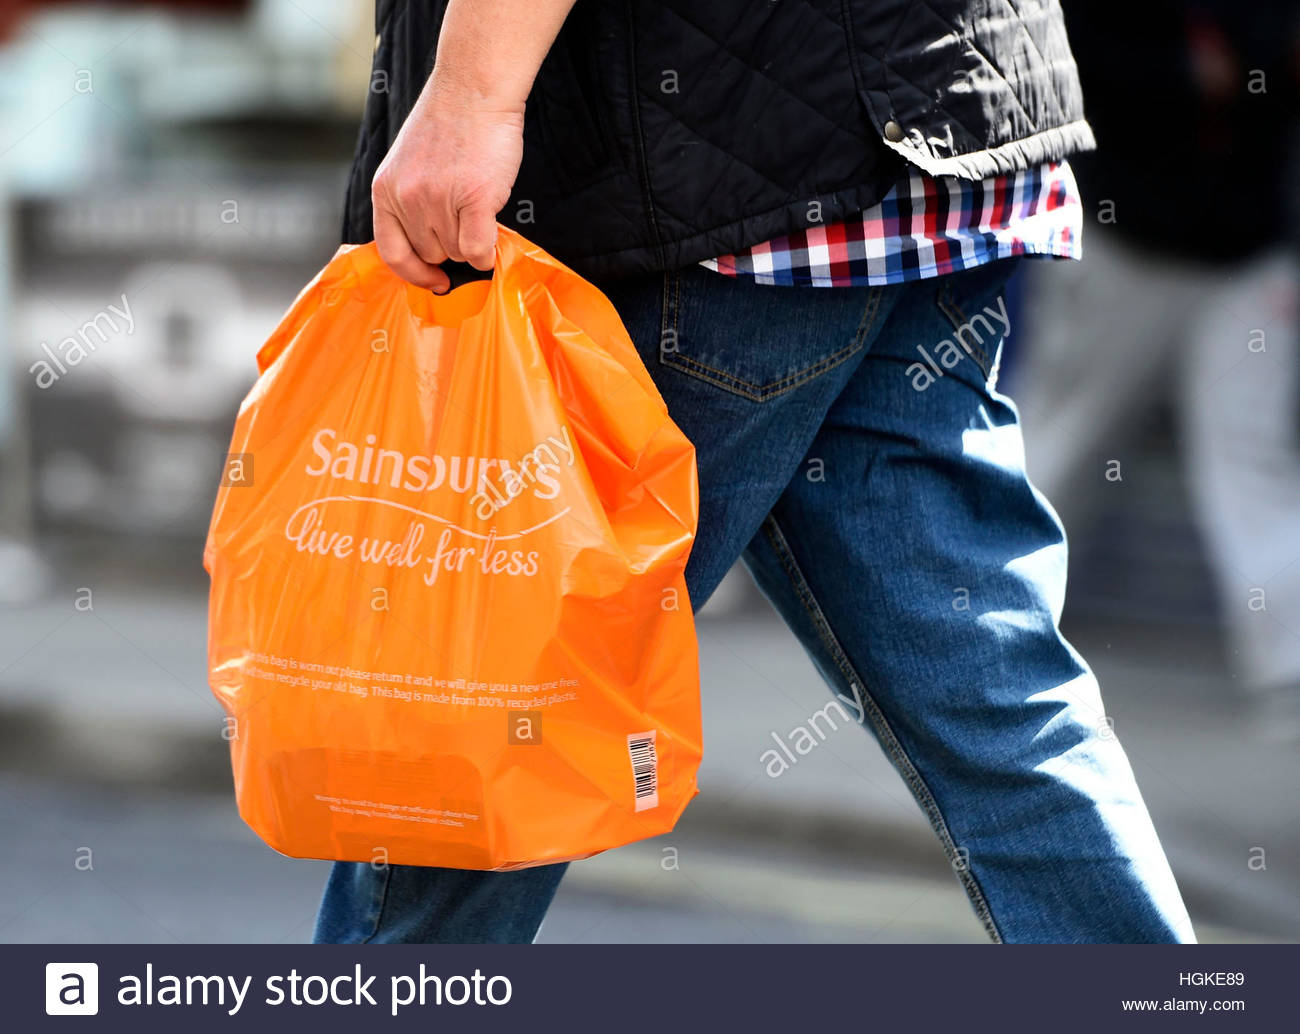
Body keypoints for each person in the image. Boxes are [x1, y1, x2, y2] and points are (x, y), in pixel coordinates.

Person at [313, 0, 1195, 944]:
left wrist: (469, 97)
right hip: (922, 145)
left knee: (488, 715)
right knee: (993, 704)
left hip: (716, 189)